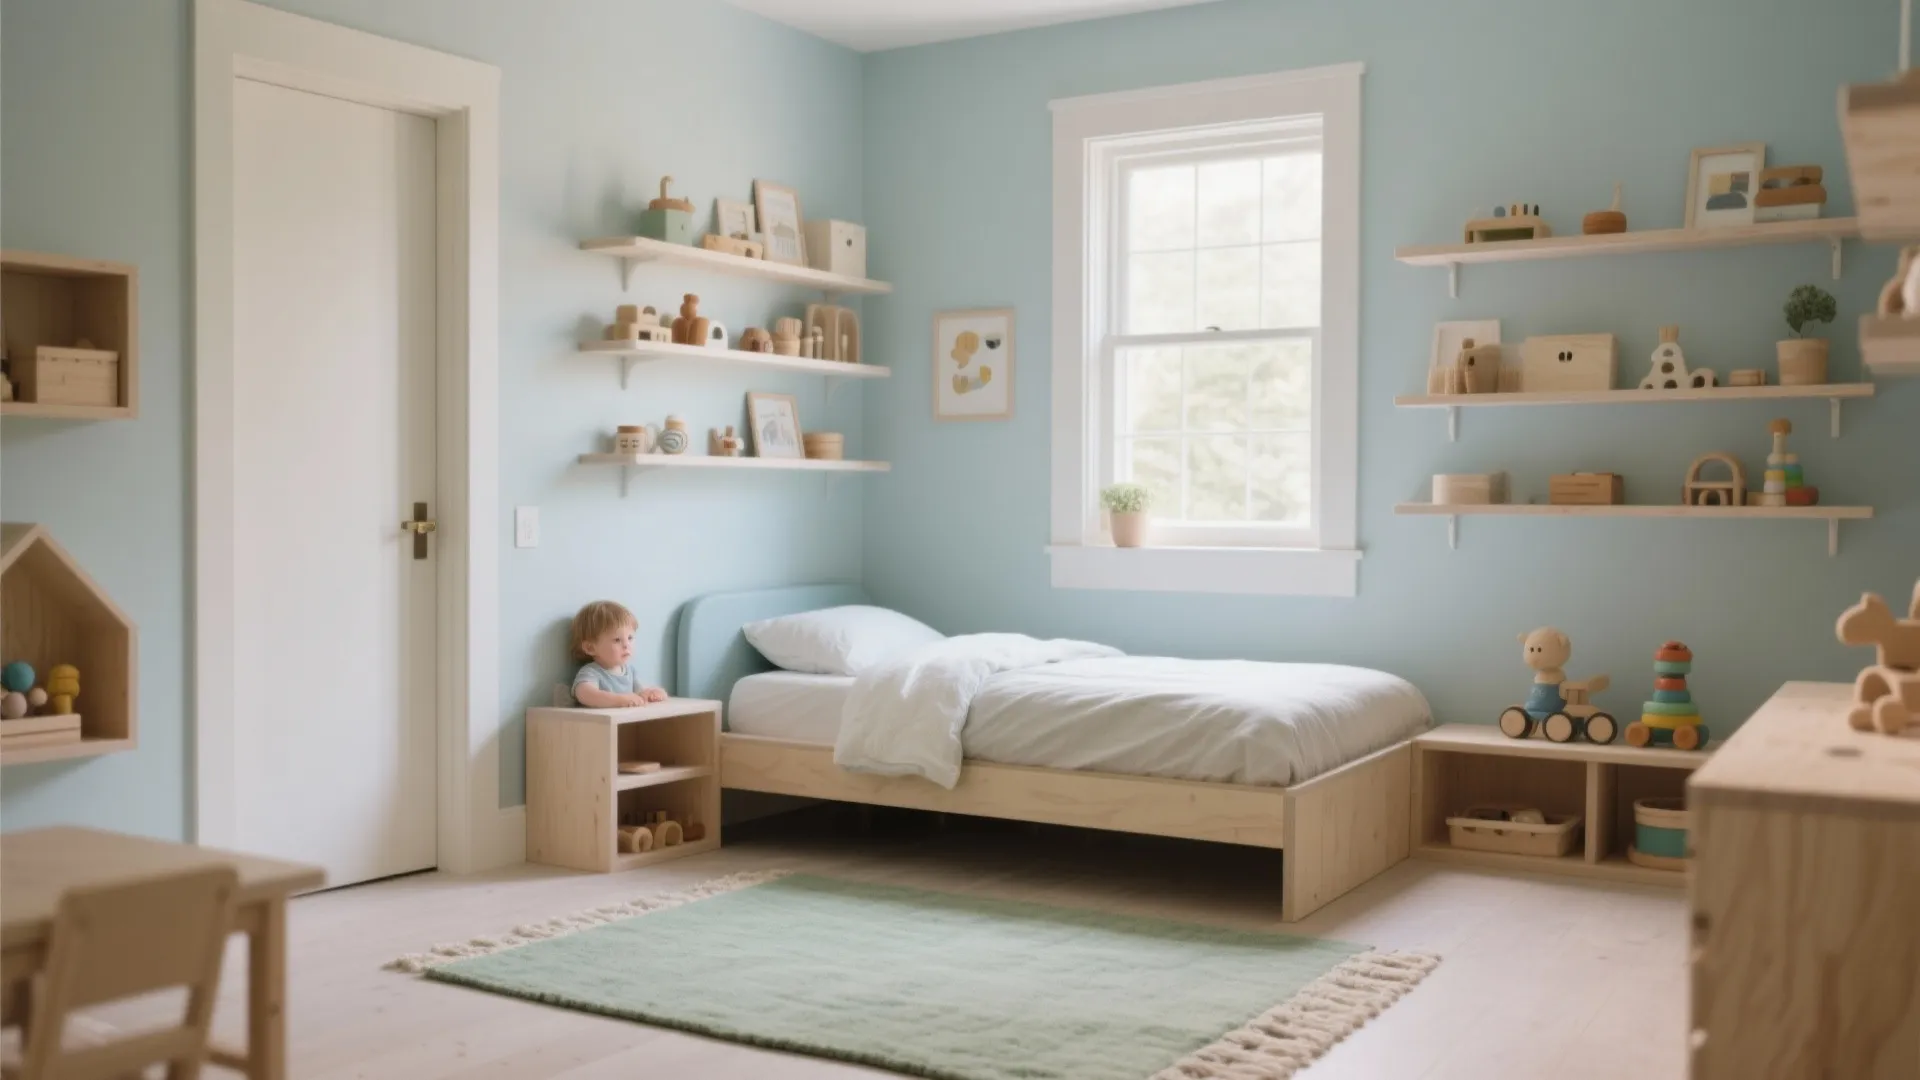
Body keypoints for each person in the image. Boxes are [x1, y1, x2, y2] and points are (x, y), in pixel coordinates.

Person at [569, 600, 667, 708]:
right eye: (617, 640)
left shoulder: (630, 671)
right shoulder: (592, 672)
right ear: (590, 648)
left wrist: (652, 693)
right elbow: (585, 694)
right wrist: (619, 700)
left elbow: (641, 693)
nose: (626, 645)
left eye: (630, 638)